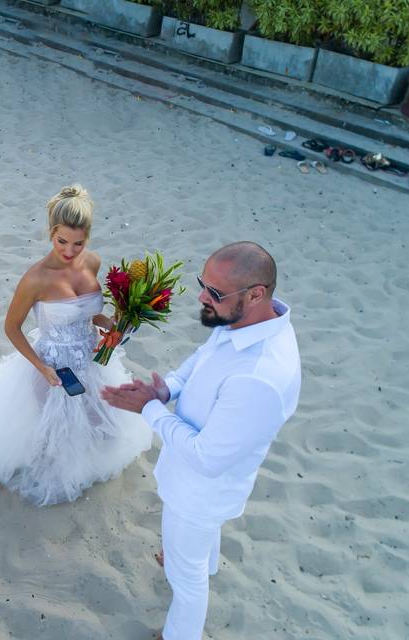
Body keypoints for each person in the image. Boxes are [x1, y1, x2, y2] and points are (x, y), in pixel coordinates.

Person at [101, 241, 301, 640]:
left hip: (201, 491)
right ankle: (195, 559)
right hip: (197, 484)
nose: (202, 297)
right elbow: (202, 358)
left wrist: (149, 410)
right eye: (202, 284)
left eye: (215, 292)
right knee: (192, 552)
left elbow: (207, 459)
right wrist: (166, 391)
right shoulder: (244, 321)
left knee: (188, 579)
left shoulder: (259, 376)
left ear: (256, 293)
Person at [0, 185, 152, 506]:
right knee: (54, 439)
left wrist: (115, 327)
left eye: (78, 243)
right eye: (62, 242)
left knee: (105, 427)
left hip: (92, 356)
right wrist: (41, 367)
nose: (69, 251)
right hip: (54, 363)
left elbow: (91, 313)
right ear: (51, 233)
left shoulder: (92, 263)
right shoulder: (36, 279)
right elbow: (11, 328)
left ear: (88, 238)